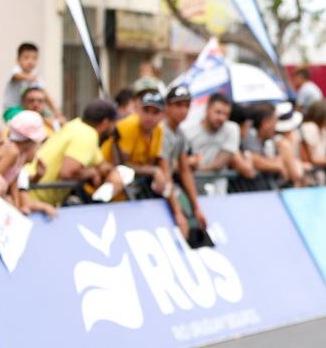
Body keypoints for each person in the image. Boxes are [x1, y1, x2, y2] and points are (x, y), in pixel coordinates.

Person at [28, 99, 123, 208]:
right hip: (34, 198)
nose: (114, 128)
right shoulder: (87, 134)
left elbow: (101, 165)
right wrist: (91, 173)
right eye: (114, 123)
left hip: (34, 194)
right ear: (105, 123)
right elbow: (67, 173)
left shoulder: (77, 126)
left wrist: (113, 172)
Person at [0, 111, 54, 216]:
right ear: (30, 140)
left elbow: (13, 181)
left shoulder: (21, 154)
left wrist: (17, 206)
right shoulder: (12, 151)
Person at [100, 91, 171, 199]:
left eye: (155, 112)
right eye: (146, 110)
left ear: (163, 115)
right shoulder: (129, 126)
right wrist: (154, 170)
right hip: (104, 184)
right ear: (138, 110)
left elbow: (150, 161)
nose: (149, 116)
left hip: (129, 191)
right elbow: (121, 165)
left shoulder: (159, 130)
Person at [161, 84, 208, 241]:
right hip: (156, 186)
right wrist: (178, 213)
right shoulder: (161, 131)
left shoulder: (180, 133)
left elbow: (184, 170)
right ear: (167, 106)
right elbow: (165, 173)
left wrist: (196, 208)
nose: (183, 110)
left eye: (186, 106)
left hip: (168, 186)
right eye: (178, 105)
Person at [184, 92, 255, 180]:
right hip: (192, 186)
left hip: (218, 190)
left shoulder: (231, 129)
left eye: (226, 114)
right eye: (218, 112)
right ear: (207, 109)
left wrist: (199, 168)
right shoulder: (186, 129)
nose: (221, 118)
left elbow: (220, 162)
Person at [2, 42, 63, 123]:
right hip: (12, 109)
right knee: (26, 120)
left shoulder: (35, 75)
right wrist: (27, 77)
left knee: (47, 116)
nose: (30, 61)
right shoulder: (17, 71)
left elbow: (44, 93)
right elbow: (15, 76)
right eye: (26, 58)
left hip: (26, 110)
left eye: (34, 58)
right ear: (18, 59)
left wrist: (56, 111)